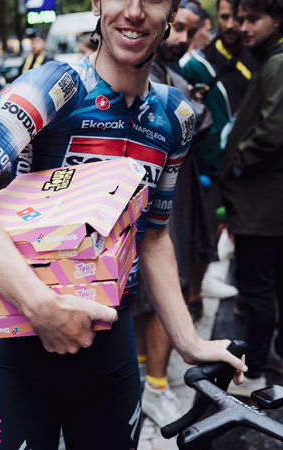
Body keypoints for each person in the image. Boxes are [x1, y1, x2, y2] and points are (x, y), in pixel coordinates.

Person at [0, 1, 247, 448]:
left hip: (113, 355)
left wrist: (189, 341)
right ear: (96, 2)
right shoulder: (56, 85)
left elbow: (154, 236)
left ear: (171, 12)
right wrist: (41, 306)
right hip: (27, 349)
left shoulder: (176, 116)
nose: (134, 11)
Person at [134, 0, 216, 428]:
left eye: (188, 30)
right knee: (157, 286)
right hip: (150, 197)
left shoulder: (168, 74)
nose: (181, 38)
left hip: (171, 194)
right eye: (178, 27)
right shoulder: (147, 74)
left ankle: (151, 380)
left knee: (161, 283)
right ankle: (153, 383)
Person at [219, 0, 283, 397]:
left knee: (257, 288)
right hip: (266, 201)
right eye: (240, 18)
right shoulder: (270, 59)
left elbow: (273, 130)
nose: (243, 27)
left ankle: (256, 370)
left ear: (276, 19)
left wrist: (236, 163)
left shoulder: (276, 62)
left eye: (252, 19)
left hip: (262, 203)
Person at [181, 0, 256, 299]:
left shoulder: (259, 58)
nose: (232, 24)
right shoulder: (196, 65)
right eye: (225, 17)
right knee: (204, 232)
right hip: (208, 167)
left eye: (238, 17)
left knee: (248, 238)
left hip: (251, 166)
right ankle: (195, 295)